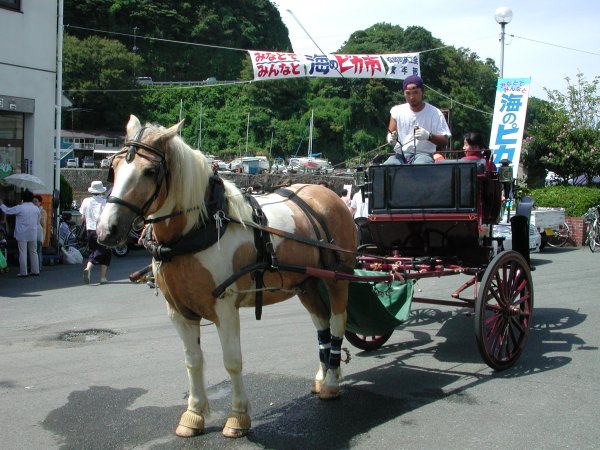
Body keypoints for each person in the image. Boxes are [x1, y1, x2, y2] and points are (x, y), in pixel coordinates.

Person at [384, 75, 451, 165]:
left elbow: (444, 141)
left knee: (420, 166)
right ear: (403, 93)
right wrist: (390, 138)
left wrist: (429, 136)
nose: (411, 97)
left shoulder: (435, 113)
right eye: (408, 93)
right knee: (388, 166)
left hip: (424, 155)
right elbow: (391, 133)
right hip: (400, 154)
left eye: (415, 92)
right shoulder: (396, 111)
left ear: (422, 92)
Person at [0, 190, 40, 277]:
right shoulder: (36, 208)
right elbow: (37, 222)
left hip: (22, 233)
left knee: (23, 252)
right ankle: (35, 270)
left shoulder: (20, 207)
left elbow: (7, 210)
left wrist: (1, 204)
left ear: (23, 198)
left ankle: (23, 272)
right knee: (33, 252)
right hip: (33, 232)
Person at [80, 180, 111, 285]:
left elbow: (82, 217)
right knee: (103, 250)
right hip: (102, 229)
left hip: (90, 230)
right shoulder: (105, 201)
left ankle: (103, 277)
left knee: (95, 251)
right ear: (101, 191)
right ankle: (89, 268)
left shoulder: (85, 201)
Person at [32, 195, 47, 271]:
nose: (34, 203)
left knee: (38, 251)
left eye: (36, 202)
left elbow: (43, 225)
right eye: (33, 201)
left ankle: (38, 267)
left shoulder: (42, 211)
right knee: (34, 251)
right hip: (32, 233)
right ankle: (35, 266)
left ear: (40, 202)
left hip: (39, 234)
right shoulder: (34, 211)